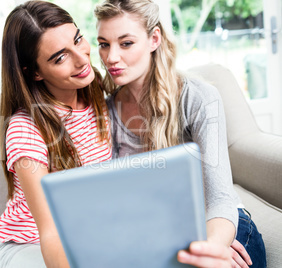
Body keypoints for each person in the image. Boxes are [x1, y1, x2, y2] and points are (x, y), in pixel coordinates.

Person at [94, 0, 266, 267]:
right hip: (161, 233)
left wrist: (209, 248)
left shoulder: (198, 98)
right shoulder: (106, 111)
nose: (111, 57)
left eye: (125, 43)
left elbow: (220, 198)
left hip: (218, 225)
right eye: (104, 44)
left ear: (154, 39)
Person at [0, 1, 111, 267]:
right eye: (60, 57)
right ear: (34, 72)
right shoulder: (26, 129)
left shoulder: (97, 92)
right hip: (30, 244)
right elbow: (50, 230)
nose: (82, 59)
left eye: (78, 40)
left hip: (85, 235)